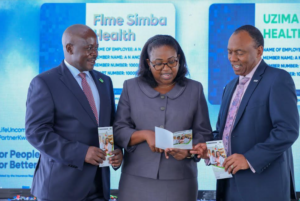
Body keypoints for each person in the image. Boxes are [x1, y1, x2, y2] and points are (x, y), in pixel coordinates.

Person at [191, 25, 299, 201]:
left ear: (259, 51)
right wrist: (210, 151)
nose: (232, 58)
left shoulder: (278, 79)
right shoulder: (230, 87)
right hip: (228, 185)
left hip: (263, 187)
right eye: (229, 52)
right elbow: (224, 133)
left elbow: (287, 130)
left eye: (239, 52)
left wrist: (249, 159)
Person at [25, 24, 123, 201]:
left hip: (99, 187)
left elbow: (110, 125)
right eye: (89, 48)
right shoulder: (45, 82)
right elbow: (36, 132)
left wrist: (117, 150)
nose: (95, 53)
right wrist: (81, 153)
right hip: (60, 189)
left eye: (97, 48)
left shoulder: (105, 81)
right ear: (69, 48)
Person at [113, 35, 212, 201]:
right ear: (147, 62)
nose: (166, 68)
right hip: (136, 179)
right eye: (158, 63)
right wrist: (145, 135)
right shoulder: (131, 87)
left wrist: (188, 151)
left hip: (180, 180)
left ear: (179, 59)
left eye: (172, 61)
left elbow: (204, 134)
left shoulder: (194, 89)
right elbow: (119, 129)